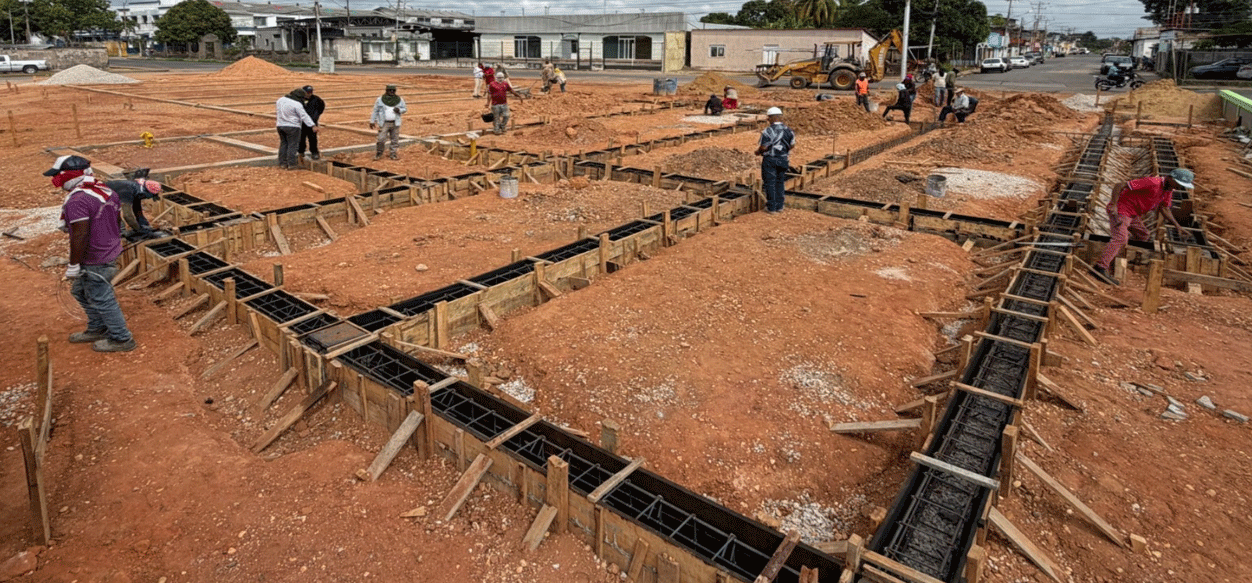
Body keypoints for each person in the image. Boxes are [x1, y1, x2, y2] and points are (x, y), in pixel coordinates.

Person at [46, 155, 136, 353]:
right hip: (107, 251)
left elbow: (80, 235)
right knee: (80, 291)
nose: (56, 182)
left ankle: (122, 338)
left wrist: (74, 265)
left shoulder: (78, 201)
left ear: (69, 175)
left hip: (95, 257)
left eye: (58, 176)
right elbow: (118, 221)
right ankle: (98, 327)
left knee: (101, 297)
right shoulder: (106, 191)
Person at [1091, 169, 1195, 285]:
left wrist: (1178, 227)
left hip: (1133, 214)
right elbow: (1119, 185)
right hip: (1121, 210)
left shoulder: (1168, 190)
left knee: (1144, 235)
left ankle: (1119, 254)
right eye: (1179, 184)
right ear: (1170, 178)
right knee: (1121, 238)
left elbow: (1164, 208)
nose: (1180, 188)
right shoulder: (1153, 182)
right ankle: (1100, 267)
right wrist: (1114, 205)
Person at [754, 106, 795, 214]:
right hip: (783, 159)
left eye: (769, 118)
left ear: (772, 118)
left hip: (770, 160)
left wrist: (758, 152)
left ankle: (772, 207)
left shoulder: (768, 131)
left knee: (770, 183)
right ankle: (780, 206)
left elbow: (763, 147)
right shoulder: (789, 130)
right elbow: (792, 145)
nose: (768, 119)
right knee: (780, 182)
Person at [104, 171, 163, 239]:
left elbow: (137, 208)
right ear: (146, 192)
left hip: (109, 198)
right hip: (100, 198)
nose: (147, 198)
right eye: (149, 196)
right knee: (115, 220)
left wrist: (144, 224)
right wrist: (139, 230)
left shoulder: (137, 189)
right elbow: (127, 215)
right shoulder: (129, 191)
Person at [275, 87, 317, 170]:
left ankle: (282, 163)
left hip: (280, 125)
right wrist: (312, 125)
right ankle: (292, 164)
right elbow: (304, 116)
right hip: (293, 126)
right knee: (292, 145)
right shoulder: (297, 104)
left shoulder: (280, 100)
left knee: (283, 144)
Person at [369, 85, 407, 160]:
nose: (392, 92)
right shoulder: (380, 100)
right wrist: (372, 121)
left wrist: (399, 110)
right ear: (386, 91)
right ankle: (379, 154)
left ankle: (393, 154)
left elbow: (404, 109)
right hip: (384, 123)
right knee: (381, 139)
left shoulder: (399, 100)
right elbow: (375, 111)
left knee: (395, 139)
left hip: (395, 123)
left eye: (393, 91)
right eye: (390, 90)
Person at [298, 85, 325, 161]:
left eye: (310, 92)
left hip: (312, 123)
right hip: (302, 123)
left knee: (313, 138)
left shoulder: (316, 99)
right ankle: (301, 152)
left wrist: (316, 115)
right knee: (301, 138)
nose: (309, 94)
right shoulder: (299, 100)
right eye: (307, 92)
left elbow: (321, 107)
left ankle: (314, 152)